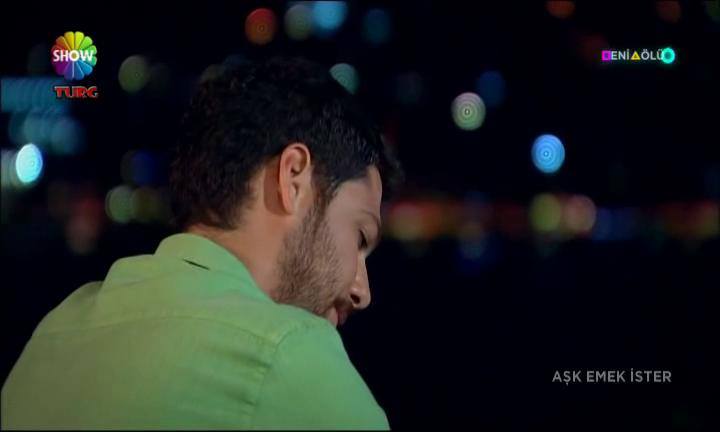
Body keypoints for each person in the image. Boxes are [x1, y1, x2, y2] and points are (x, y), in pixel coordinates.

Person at [2, 56, 402, 429]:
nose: (362, 291)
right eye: (360, 236)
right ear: (293, 178)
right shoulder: (290, 355)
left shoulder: (53, 336)